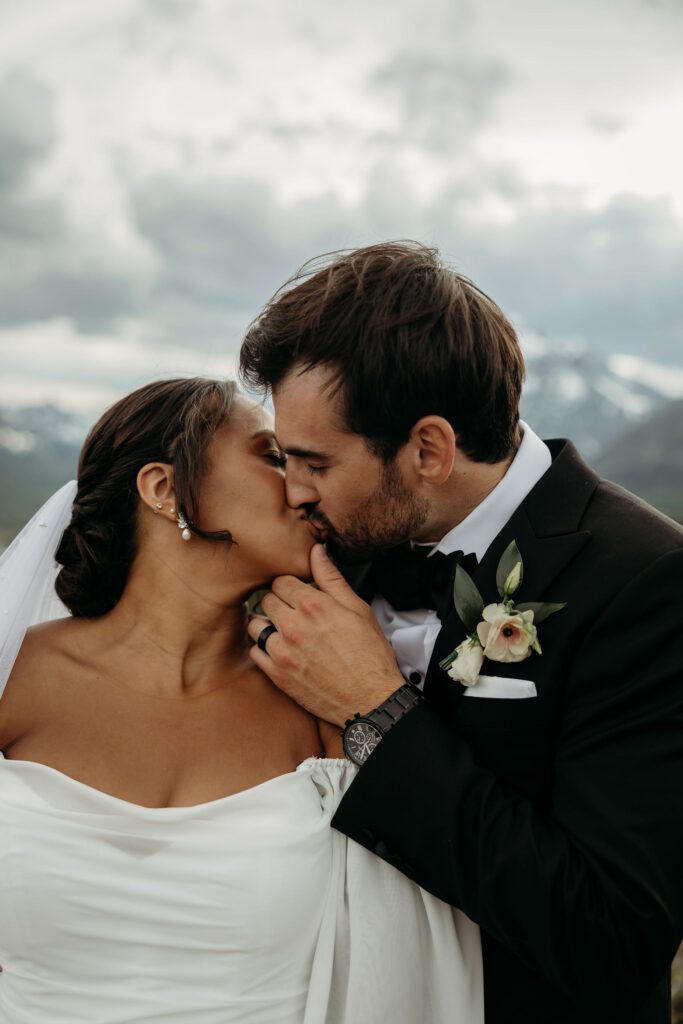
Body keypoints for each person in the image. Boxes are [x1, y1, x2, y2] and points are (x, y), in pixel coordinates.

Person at [239, 240, 683, 1024]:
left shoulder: (646, 582)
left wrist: (377, 711)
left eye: (314, 461)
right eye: (283, 456)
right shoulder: (327, 546)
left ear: (429, 449)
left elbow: (611, 938)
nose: (292, 492)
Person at [0, 377, 483, 1023]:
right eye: (270, 455)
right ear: (163, 488)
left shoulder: (326, 707)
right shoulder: (13, 681)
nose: (302, 487)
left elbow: (396, 962)